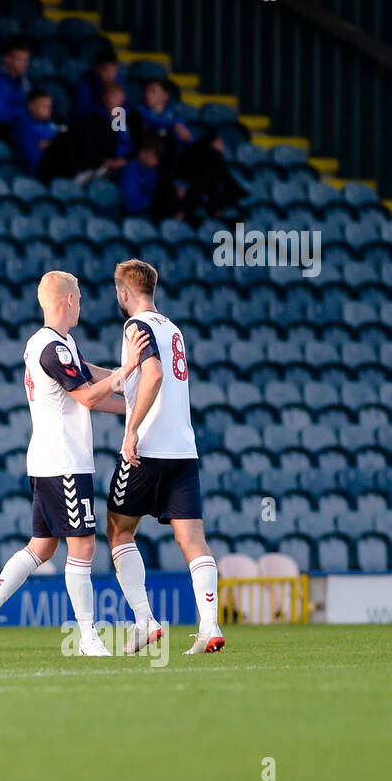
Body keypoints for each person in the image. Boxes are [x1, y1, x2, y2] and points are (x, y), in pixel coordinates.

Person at [0, 271, 147, 658]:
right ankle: (88, 638)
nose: (81, 305)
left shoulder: (57, 344)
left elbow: (92, 377)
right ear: (67, 301)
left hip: (49, 459)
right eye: (78, 298)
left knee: (42, 547)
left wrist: (136, 402)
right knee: (82, 545)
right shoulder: (52, 348)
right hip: (64, 461)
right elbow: (88, 397)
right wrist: (129, 370)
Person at [105, 259, 223, 655]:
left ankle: (146, 623)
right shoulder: (172, 329)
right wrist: (90, 373)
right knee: (192, 540)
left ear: (124, 292)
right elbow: (141, 379)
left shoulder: (134, 326)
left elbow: (151, 376)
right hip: (183, 450)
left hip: (149, 449)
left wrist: (133, 430)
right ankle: (210, 626)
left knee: (118, 529)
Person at [0, 40, 32, 130]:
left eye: (26, 60)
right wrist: (25, 112)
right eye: (20, 60)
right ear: (7, 59)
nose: (25, 64)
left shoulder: (24, 80)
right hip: (0, 129)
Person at [13, 89, 62, 178]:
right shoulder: (23, 126)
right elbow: (30, 156)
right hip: (37, 171)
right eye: (44, 106)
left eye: (50, 106)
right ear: (31, 106)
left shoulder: (51, 125)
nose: (49, 109)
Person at [71, 47, 123, 123]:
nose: (110, 76)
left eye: (114, 71)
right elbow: (82, 117)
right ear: (96, 68)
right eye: (106, 71)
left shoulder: (119, 83)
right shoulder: (85, 88)